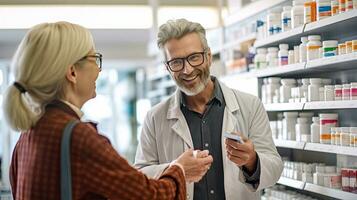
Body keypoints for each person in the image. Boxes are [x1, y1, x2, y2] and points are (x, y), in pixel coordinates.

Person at [3, 21, 213, 200]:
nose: (98, 69)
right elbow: (149, 196)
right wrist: (180, 170)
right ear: (72, 72)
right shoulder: (79, 138)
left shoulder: (27, 136)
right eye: (94, 58)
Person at [134, 18, 283, 200]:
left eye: (194, 57)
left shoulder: (250, 105)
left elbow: (275, 169)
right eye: (176, 62)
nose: (187, 70)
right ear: (167, 67)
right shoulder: (155, 117)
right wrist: (177, 169)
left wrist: (252, 160)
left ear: (209, 56)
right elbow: (140, 177)